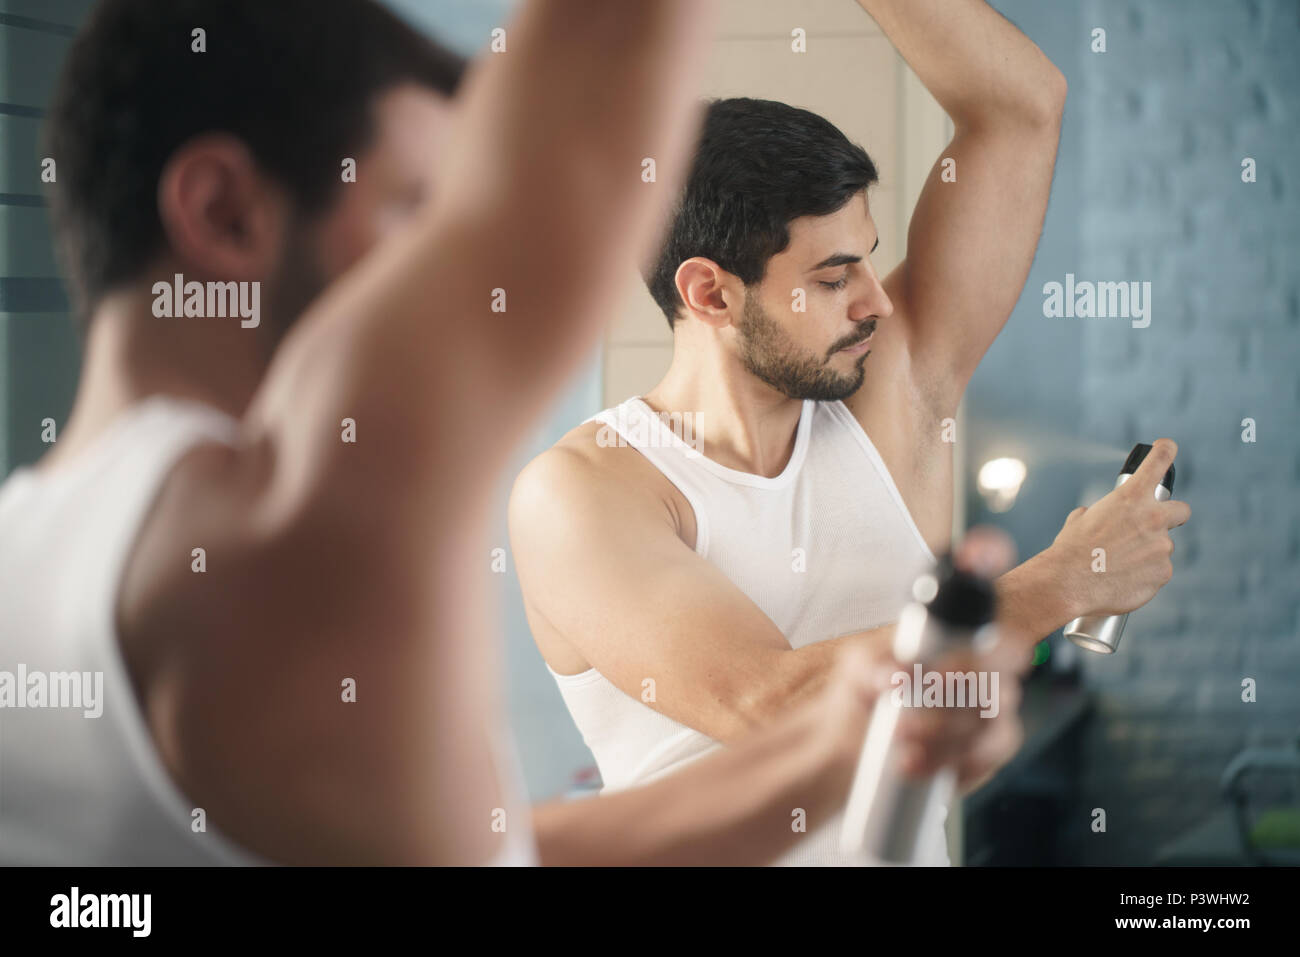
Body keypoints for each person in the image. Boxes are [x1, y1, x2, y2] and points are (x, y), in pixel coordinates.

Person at [0, 0, 1025, 867]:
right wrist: (1049, 587)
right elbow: (583, 115)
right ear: (225, 213)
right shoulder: (271, 535)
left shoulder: (33, 556)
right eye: (412, 211)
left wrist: (840, 744)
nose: (435, 263)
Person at [510, 0, 1191, 865]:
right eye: (834, 279)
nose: (877, 300)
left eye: (868, 256)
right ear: (711, 293)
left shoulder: (892, 394)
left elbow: (1021, 109)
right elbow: (769, 701)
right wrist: (1060, 581)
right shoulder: (584, 489)